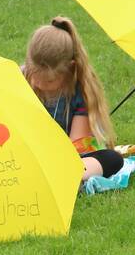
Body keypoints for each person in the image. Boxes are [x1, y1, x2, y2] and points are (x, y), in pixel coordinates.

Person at [23, 17, 124, 181]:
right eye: (35, 76)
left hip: (68, 156)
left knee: (113, 159)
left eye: (49, 81)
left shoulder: (81, 91)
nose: (39, 84)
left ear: (70, 68)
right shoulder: (19, 80)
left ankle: (62, 178)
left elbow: (74, 147)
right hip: (29, 153)